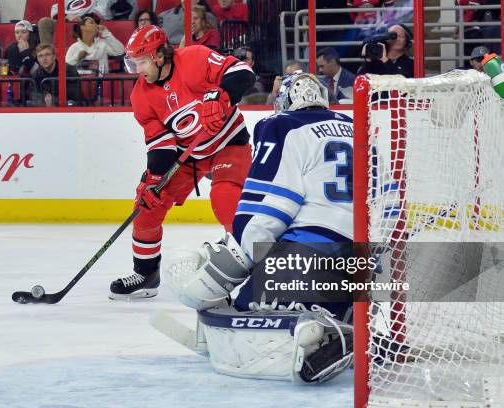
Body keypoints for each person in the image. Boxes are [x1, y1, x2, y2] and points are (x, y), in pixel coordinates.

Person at [164, 71, 354, 383]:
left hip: (309, 261)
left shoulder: (280, 126)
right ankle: (345, 318)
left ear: (284, 101)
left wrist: (230, 265)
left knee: (241, 311)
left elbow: (265, 214)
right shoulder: (356, 128)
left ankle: (320, 331)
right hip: (369, 264)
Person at [109, 25, 256, 300]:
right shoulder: (141, 96)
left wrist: (221, 95)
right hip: (188, 154)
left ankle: (251, 264)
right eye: (134, 62)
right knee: (147, 204)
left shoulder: (195, 58)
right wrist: (154, 179)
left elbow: (243, 73)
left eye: (141, 61)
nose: (137, 69)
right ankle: (146, 274)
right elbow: (161, 146)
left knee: (225, 198)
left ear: (160, 56)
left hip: (229, 142)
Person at [39, 0, 137, 45]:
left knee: (87, 25)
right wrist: (67, 17)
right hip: (66, 21)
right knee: (44, 22)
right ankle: (48, 54)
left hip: (88, 22)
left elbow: (101, 13)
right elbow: (54, 11)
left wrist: (81, 19)